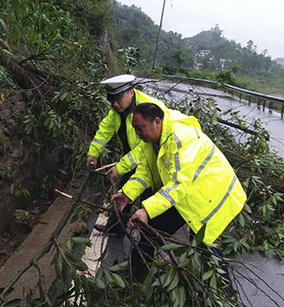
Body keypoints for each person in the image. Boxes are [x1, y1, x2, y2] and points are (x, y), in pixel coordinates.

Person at [112, 102, 247, 290]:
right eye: (135, 129)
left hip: (207, 197)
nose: (137, 134)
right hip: (184, 195)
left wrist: (147, 209)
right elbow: (145, 171)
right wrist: (127, 193)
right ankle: (133, 281)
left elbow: (179, 184)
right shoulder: (152, 141)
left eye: (140, 128)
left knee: (205, 249)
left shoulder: (180, 138)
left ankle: (226, 297)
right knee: (151, 231)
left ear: (157, 122)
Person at [86, 74, 167, 236]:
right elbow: (105, 129)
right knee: (124, 194)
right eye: (112, 100)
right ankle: (116, 228)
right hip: (130, 159)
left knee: (147, 199)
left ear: (131, 91)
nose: (115, 104)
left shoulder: (148, 111)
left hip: (149, 163)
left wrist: (121, 167)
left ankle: (148, 239)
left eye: (118, 99)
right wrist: (93, 153)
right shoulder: (118, 110)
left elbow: (145, 146)